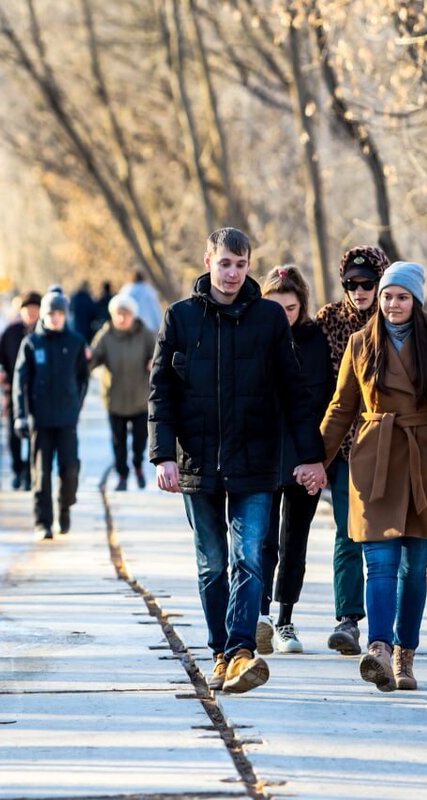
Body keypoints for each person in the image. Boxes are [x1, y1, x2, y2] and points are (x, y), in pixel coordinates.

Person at [150, 227, 326, 695]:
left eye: (241, 264)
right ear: (208, 260)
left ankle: (241, 651)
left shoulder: (269, 318)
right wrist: (163, 455)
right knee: (213, 564)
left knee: (249, 559)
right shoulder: (181, 318)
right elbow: (161, 393)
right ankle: (219, 652)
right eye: (225, 263)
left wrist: (313, 457)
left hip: (256, 461)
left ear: (249, 266)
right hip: (197, 464)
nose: (232, 273)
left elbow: (295, 393)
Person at [319, 261, 427, 692]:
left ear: (416, 300)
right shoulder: (360, 343)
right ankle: (379, 649)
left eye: (401, 296)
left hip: (424, 461)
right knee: (380, 564)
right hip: (375, 459)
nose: (391, 304)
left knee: (414, 569)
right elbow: (340, 408)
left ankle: (406, 653)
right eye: (387, 296)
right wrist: (315, 460)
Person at [312, 245, 390, 654]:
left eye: (367, 283)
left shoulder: (396, 319)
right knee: (347, 531)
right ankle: (348, 619)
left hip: (390, 446)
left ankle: (390, 625)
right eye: (351, 284)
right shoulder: (328, 321)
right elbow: (319, 387)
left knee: (389, 537)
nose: (359, 291)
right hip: (343, 447)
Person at [255, 265, 335, 656]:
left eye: (290, 307)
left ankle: (286, 618)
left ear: (301, 306)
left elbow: (324, 400)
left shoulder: (315, 341)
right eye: (275, 306)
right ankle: (261, 616)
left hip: (306, 453)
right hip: (263, 454)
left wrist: (317, 458)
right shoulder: (255, 335)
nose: (283, 314)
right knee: (262, 539)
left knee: (294, 541)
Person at [14, 290, 91, 540]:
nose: (55, 318)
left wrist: (76, 403)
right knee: (41, 474)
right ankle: (42, 523)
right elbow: (20, 381)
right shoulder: (32, 343)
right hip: (41, 419)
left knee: (69, 469)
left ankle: (65, 508)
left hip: (67, 419)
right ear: (44, 316)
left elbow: (83, 377)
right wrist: (21, 415)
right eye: (51, 314)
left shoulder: (76, 341)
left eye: (59, 313)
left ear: (65, 315)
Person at [90, 293, 155, 491]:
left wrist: (153, 363)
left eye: (125, 314)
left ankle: (137, 466)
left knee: (139, 441)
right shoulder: (105, 335)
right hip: (114, 398)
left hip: (140, 398)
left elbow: (158, 356)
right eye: (118, 314)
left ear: (133, 315)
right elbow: (92, 359)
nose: (121, 318)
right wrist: (85, 359)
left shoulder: (145, 334)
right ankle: (122, 475)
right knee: (118, 443)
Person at [0, 291, 41, 490]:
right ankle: (17, 470)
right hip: (12, 392)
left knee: (34, 435)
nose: (31, 313)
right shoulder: (10, 332)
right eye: (27, 310)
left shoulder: (44, 333)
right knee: (13, 435)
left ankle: (30, 473)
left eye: (35, 310)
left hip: (38, 392)